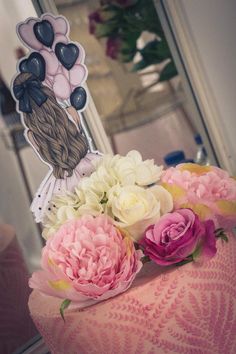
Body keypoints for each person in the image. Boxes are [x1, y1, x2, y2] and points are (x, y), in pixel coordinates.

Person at [12, 72, 99, 223]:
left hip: (62, 180)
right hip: (90, 165)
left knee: (77, 219)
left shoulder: (33, 135)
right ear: (46, 92)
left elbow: (46, 154)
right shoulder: (70, 112)